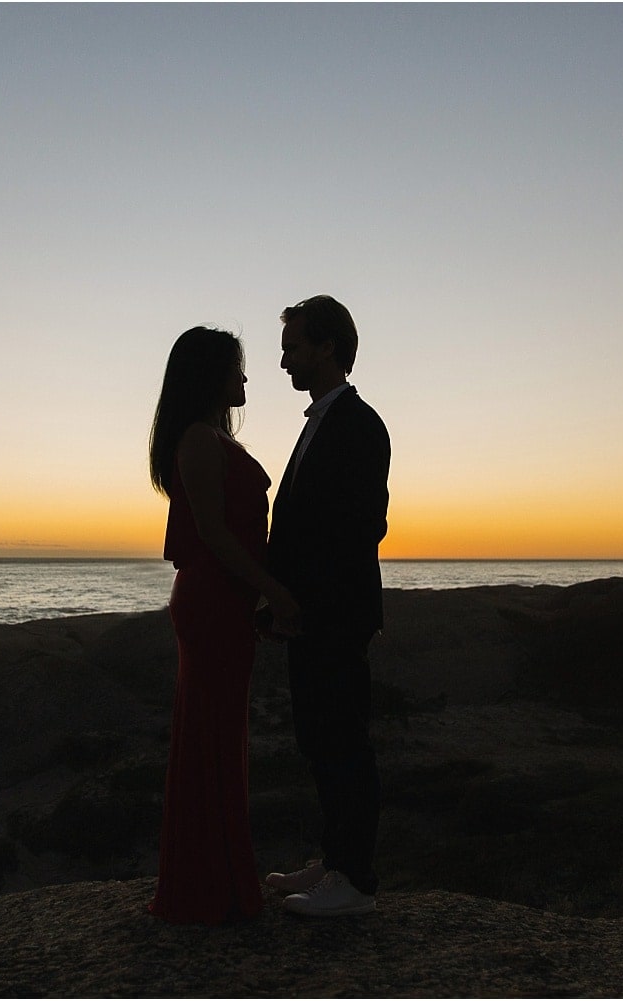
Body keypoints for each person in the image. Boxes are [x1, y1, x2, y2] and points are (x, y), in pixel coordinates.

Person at [146, 325, 301, 925]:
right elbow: (213, 534)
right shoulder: (198, 440)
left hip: (222, 602)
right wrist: (276, 594)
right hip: (212, 602)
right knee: (212, 737)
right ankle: (209, 889)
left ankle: (215, 881)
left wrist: (260, 595)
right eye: (237, 369)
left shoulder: (206, 437)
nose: (245, 379)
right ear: (211, 375)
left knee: (218, 736)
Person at [262, 295, 390, 917]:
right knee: (319, 738)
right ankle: (334, 858)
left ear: (328, 347)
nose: (283, 358)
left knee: (343, 740)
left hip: (334, 614)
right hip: (311, 615)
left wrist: (300, 599)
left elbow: (363, 525)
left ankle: (355, 882)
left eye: (293, 345)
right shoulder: (318, 420)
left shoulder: (360, 425)